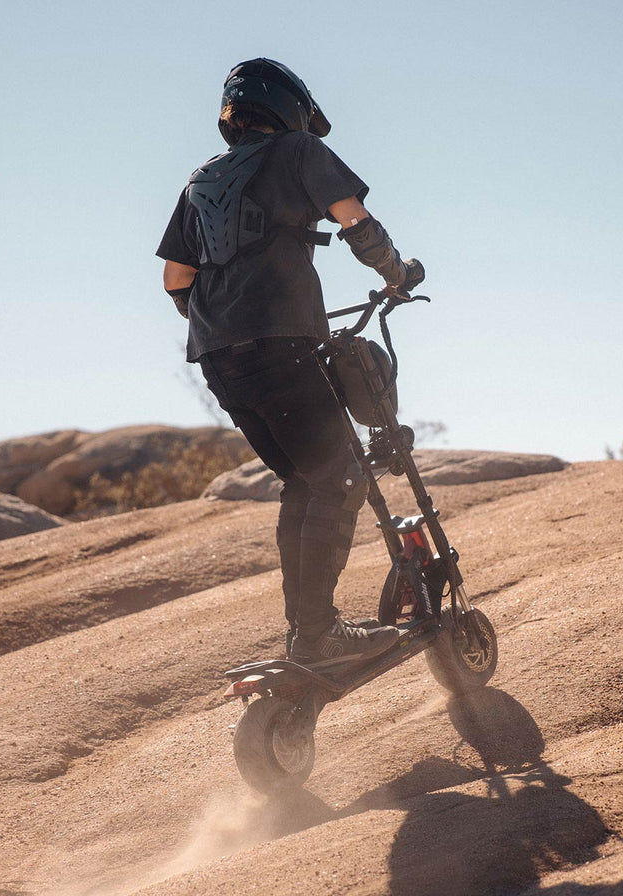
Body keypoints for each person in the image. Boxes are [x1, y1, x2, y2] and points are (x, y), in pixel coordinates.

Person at [157, 58, 424, 664]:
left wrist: (219, 322)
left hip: (219, 358)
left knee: (304, 482)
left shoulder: (199, 179)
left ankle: (306, 632)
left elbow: (176, 277)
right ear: (290, 109)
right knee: (341, 475)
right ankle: (319, 634)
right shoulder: (300, 151)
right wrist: (396, 275)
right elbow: (353, 218)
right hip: (282, 344)